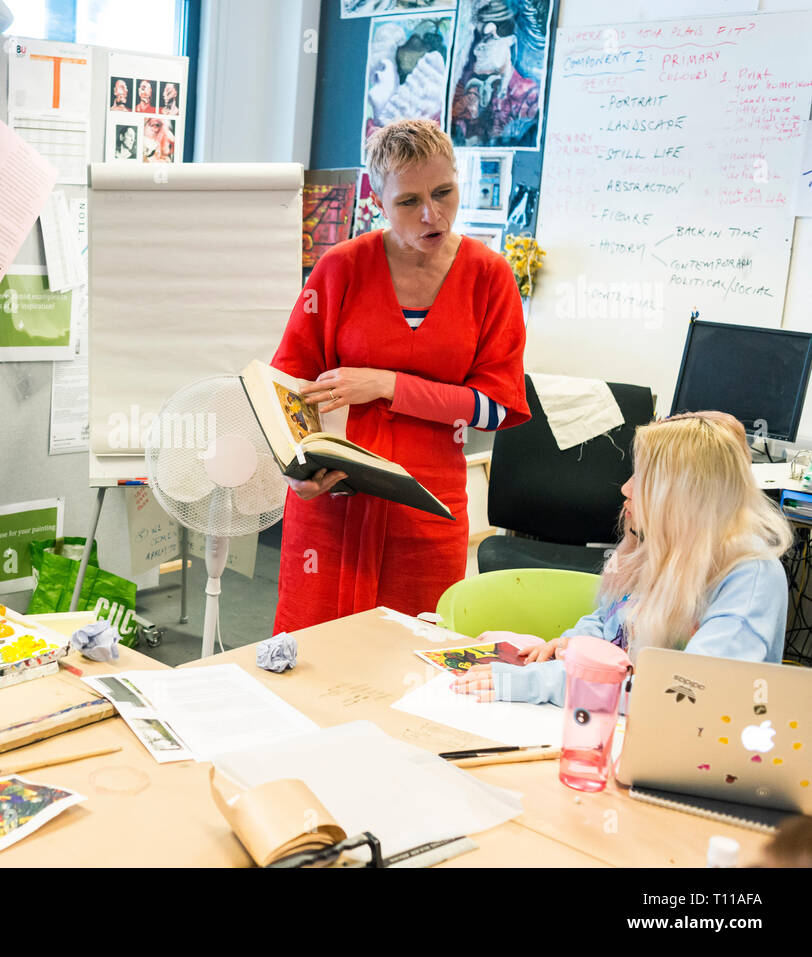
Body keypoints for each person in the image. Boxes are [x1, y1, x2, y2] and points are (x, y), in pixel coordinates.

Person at [271, 118, 528, 634]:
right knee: (314, 661)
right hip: (333, 502)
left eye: (444, 192)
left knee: (412, 662)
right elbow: (285, 386)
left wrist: (388, 384)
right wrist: (294, 472)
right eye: (409, 201)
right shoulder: (340, 268)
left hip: (427, 512)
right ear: (377, 197)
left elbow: (498, 406)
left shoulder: (489, 277)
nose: (432, 215)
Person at [452, 412, 791, 705]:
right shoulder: (663, 544)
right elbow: (610, 621)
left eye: (643, 478)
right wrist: (573, 644)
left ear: (685, 498)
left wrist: (540, 684)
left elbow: (684, 693)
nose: (626, 488)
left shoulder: (750, 578)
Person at [449, 0, 542, 148]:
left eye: (489, 39)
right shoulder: (465, 89)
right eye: (478, 41)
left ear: (510, 42)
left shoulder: (527, 95)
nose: (477, 50)